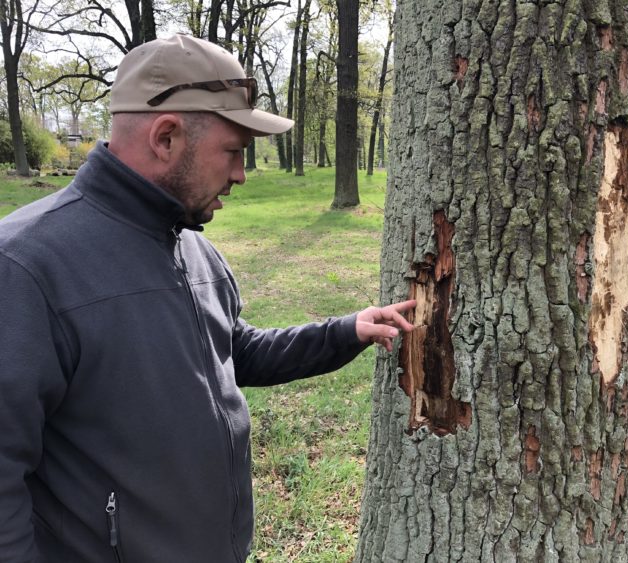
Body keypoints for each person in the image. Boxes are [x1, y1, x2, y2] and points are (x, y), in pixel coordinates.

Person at [0, 34, 415, 563]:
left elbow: (234, 352)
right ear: (167, 136)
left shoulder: (193, 248)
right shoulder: (26, 266)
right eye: (233, 152)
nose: (241, 174)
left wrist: (346, 331)